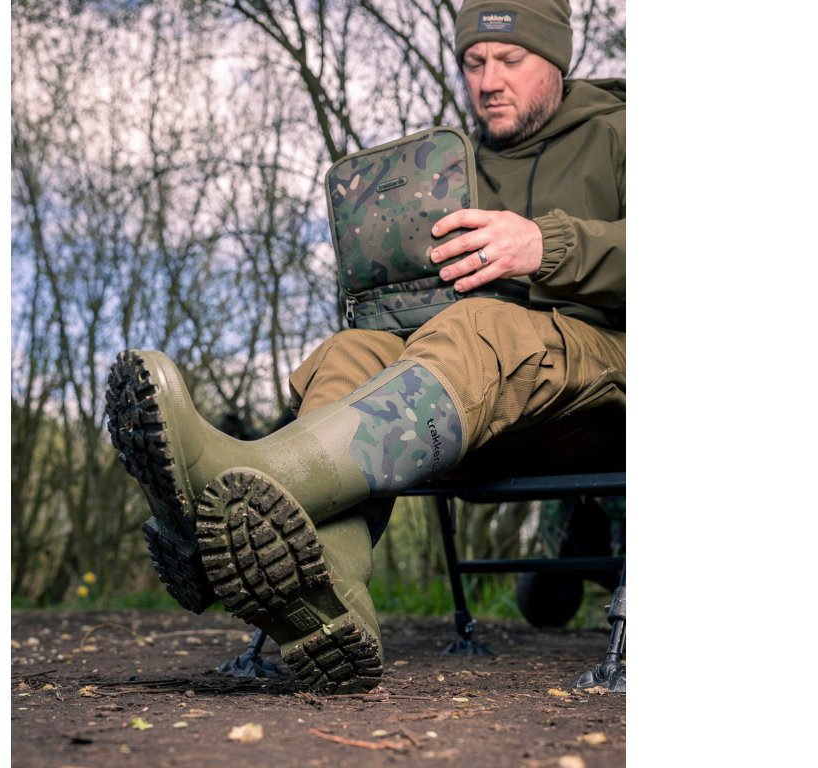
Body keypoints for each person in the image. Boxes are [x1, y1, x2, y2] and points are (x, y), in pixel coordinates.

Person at [105, 0, 625, 695]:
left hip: (597, 391)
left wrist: (545, 245)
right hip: (466, 412)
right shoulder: (450, 167)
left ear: (557, 59)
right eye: (473, 62)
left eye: (510, 59)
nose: (488, 80)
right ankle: (335, 591)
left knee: (482, 326)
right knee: (354, 349)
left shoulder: (622, 133)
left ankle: (235, 491)